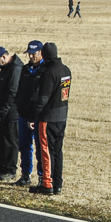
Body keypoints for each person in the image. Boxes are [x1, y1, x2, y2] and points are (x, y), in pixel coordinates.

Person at [28, 41, 71, 195]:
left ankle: (47, 184)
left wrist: (33, 116)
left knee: (46, 151)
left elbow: (43, 98)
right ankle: (57, 183)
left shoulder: (49, 72)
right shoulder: (65, 70)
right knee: (57, 151)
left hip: (48, 117)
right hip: (62, 116)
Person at [0, 47, 22, 181]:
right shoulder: (6, 69)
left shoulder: (15, 70)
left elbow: (12, 93)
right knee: (1, 141)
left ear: (4, 57)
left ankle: (10, 170)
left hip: (12, 114)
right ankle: (2, 167)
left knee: (10, 142)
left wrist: (3, 111)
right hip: (3, 113)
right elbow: (4, 85)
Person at [13, 41, 44, 187]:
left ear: (41, 52)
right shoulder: (25, 69)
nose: (31, 56)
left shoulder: (45, 69)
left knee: (40, 147)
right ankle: (25, 174)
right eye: (29, 53)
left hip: (39, 115)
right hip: (24, 114)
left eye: (34, 53)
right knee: (24, 145)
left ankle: (42, 176)